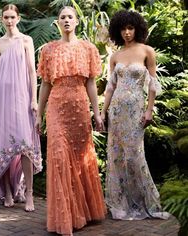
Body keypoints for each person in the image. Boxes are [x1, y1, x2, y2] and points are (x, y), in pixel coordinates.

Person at [36, 6, 106, 236]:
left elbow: (91, 84)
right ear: (58, 22)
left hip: (79, 109)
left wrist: (97, 113)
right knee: (58, 158)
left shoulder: (88, 48)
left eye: (70, 17)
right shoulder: (48, 50)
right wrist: (39, 114)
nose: (66, 20)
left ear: (76, 22)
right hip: (56, 108)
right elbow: (45, 83)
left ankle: (82, 212)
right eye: (62, 17)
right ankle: (65, 216)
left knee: (79, 158)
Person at [101, 10, 170, 220]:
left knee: (134, 155)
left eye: (130, 28)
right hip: (116, 111)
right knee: (116, 156)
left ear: (137, 29)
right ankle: (119, 203)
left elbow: (152, 85)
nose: (127, 33)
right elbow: (110, 88)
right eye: (122, 29)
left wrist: (149, 110)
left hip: (136, 112)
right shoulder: (115, 56)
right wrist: (103, 112)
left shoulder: (147, 51)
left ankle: (141, 201)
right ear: (117, 31)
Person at [0, 4, 42, 212]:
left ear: (18, 18)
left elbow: (33, 72)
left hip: (22, 98)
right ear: (1, 19)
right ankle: (7, 192)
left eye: (12, 17)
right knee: (3, 146)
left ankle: (29, 194)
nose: (9, 20)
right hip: (1, 99)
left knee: (24, 146)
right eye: (5, 17)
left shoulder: (26, 40)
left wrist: (34, 99)